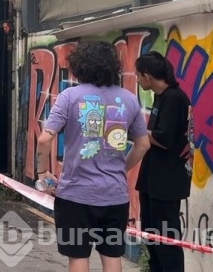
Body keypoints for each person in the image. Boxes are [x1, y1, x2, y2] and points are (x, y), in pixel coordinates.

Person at [36, 41, 150, 272]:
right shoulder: (129, 99)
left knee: (78, 257)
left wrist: (42, 172)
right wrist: (122, 168)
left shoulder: (69, 96)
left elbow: (44, 139)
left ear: (80, 67)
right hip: (115, 194)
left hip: (75, 195)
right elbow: (143, 144)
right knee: (112, 255)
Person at [135, 51, 192, 272]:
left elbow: (163, 138)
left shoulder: (174, 98)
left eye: (139, 76)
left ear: (148, 76)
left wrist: (137, 133)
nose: (138, 81)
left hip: (167, 180)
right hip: (153, 176)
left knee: (166, 237)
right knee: (150, 232)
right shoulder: (161, 96)